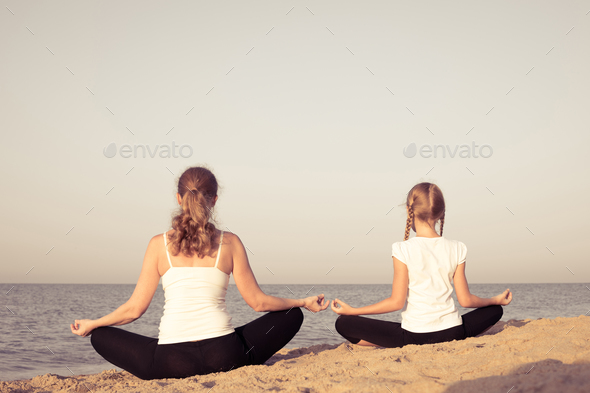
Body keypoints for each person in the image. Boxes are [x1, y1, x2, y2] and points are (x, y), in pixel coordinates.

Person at [71, 166, 329, 380]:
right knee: (292, 315)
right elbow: (258, 302)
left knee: (101, 335)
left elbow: (134, 310)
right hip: (226, 355)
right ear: (214, 200)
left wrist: (94, 323)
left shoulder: (157, 245)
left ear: (178, 198)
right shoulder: (231, 242)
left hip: (170, 363)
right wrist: (303, 303)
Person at [331, 182, 512, 348]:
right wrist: (495, 300)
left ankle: (389, 342)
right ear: (441, 213)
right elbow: (466, 300)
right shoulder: (457, 248)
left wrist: (354, 311)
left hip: (414, 337)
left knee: (344, 324)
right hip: (453, 332)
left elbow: (396, 302)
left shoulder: (402, 249)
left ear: (410, 211)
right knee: (494, 311)